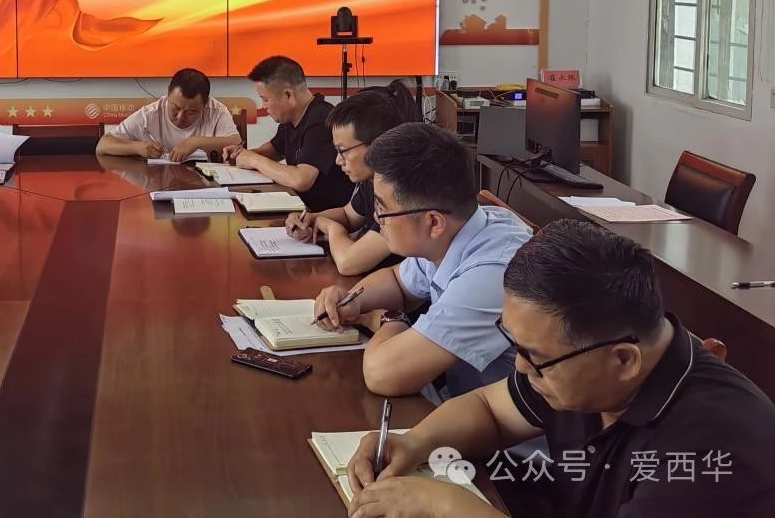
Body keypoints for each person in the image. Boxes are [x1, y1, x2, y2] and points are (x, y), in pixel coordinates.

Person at [344, 219, 775, 518]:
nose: (520, 365)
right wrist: (416, 442)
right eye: (515, 344)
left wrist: (445, 506)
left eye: (534, 356)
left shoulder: (712, 450)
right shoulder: (583, 368)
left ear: (624, 360)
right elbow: (490, 409)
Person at [313, 123, 530, 398]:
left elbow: (384, 374)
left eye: (383, 209)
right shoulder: (454, 233)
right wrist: (351, 301)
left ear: (433, 222)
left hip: (497, 423)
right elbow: (397, 281)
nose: (376, 218)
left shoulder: (494, 274)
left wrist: (389, 318)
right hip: (462, 402)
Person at [284, 91, 404, 275]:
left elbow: (348, 263)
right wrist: (310, 219)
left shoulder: (400, 193)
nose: (338, 161)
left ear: (376, 146)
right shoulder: (370, 179)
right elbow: (349, 216)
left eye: (343, 151)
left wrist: (330, 226)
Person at [223, 56, 347, 211]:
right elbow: (273, 150)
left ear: (288, 95)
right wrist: (241, 154)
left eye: (265, 99)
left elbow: (301, 180)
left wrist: (254, 160)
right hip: (300, 209)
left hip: (326, 216)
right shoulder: (292, 117)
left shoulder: (322, 120)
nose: (264, 106)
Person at [95, 68, 242, 162]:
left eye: (191, 112)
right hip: (157, 183)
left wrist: (195, 142)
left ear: (205, 104)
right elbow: (103, 145)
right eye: (175, 108)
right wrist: (139, 147)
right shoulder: (150, 114)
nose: (180, 117)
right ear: (168, 94)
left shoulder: (216, 111)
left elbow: (236, 143)